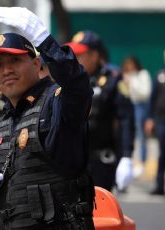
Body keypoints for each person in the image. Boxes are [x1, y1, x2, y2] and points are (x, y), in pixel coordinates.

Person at [0, 7, 95, 229]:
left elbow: (79, 89)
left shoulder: (55, 103)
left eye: (14, 61)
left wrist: (45, 41)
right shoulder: (5, 117)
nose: (6, 70)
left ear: (37, 64)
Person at [65, 31, 135, 191]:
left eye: (80, 54)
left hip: (99, 161)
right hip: (71, 159)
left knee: (98, 212)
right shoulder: (69, 79)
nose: (74, 59)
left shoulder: (112, 80)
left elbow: (126, 119)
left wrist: (126, 156)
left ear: (95, 55)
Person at [122, 56, 152, 177]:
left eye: (132, 64)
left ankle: (142, 163)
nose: (129, 67)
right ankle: (131, 162)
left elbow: (145, 93)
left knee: (141, 135)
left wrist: (131, 83)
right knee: (128, 134)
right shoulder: (127, 75)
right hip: (129, 105)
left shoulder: (143, 74)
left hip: (140, 106)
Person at [145, 69, 165, 195]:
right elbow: (153, 98)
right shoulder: (160, 75)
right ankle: (159, 185)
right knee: (162, 152)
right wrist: (150, 118)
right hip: (161, 120)